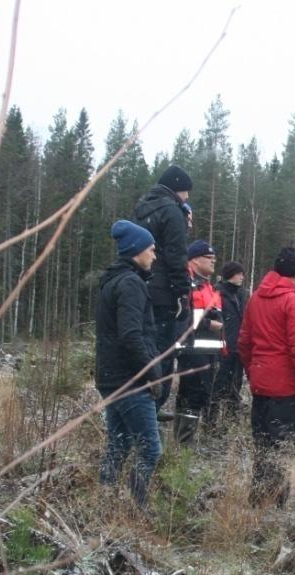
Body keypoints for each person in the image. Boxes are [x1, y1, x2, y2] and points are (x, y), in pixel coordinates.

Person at [238, 247, 295, 509]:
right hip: (286, 389)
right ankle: (276, 506)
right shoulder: (293, 302)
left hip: (262, 386)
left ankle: (257, 503)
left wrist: (255, 373)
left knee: (263, 446)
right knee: (284, 448)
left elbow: (244, 343)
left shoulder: (255, 298)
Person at [95, 220, 162, 507]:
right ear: (137, 250)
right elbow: (131, 335)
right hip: (129, 378)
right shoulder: (131, 284)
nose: (155, 256)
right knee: (150, 450)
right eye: (151, 249)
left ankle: (106, 501)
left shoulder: (112, 280)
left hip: (111, 376)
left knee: (118, 444)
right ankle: (138, 507)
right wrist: (151, 373)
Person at [134, 164, 193, 414]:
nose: (187, 197)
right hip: (164, 293)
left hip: (140, 288)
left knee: (143, 352)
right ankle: (151, 414)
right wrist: (182, 293)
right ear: (176, 189)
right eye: (185, 192)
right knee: (164, 355)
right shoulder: (172, 211)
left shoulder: (141, 209)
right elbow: (176, 254)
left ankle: (140, 411)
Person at [172, 240, 223, 445]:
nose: (213, 261)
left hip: (209, 353)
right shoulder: (186, 283)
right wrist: (208, 323)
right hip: (191, 352)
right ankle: (182, 449)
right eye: (208, 258)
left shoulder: (209, 286)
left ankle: (184, 447)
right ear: (193, 261)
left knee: (200, 398)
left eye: (214, 258)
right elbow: (181, 317)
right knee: (190, 399)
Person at [208, 260, 248, 428]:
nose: (242, 277)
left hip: (239, 348)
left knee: (236, 385)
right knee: (217, 386)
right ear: (232, 275)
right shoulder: (217, 293)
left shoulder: (243, 294)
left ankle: (231, 422)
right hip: (222, 348)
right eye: (239, 273)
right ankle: (211, 422)